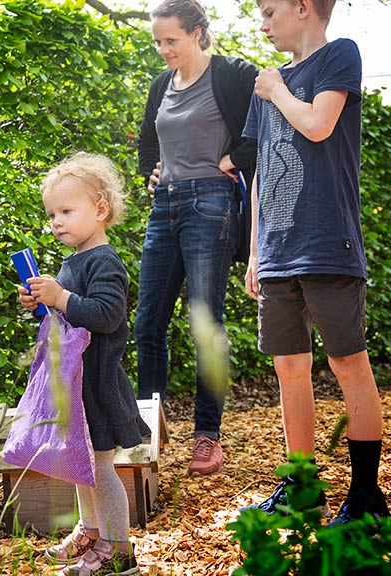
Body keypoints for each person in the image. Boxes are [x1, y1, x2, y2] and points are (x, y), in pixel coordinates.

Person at [240, 0, 388, 525]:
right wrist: (256, 249)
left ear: (303, 7)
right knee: (288, 368)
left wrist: (276, 89)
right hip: (278, 251)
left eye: (269, 10)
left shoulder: (338, 56)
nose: (262, 22)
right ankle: (303, 488)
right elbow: (260, 172)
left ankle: (367, 494)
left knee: (348, 364)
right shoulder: (268, 82)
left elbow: (319, 125)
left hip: (328, 243)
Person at [134, 0, 258, 477]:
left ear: (198, 33)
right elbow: (150, 140)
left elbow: (266, 129)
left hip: (212, 204)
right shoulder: (160, 85)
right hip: (165, 207)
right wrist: (151, 171)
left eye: (172, 40)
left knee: (206, 324)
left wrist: (234, 159)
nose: (164, 50)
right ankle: (148, 431)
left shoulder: (232, 74)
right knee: (148, 325)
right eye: (158, 42)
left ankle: (207, 436)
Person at [19, 152, 148, 576]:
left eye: (66, 211)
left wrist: (62, 297)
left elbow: (107, 315)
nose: (56, 221)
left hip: (98, 384)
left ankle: (118, 549)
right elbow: (71, 319)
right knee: (81, 462)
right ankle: (91, 532)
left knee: (101, 466)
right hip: (75, 383)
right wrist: (44, 303)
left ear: (100, 209)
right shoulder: (74, 261)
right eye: (52, 213)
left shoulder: (104, 261)